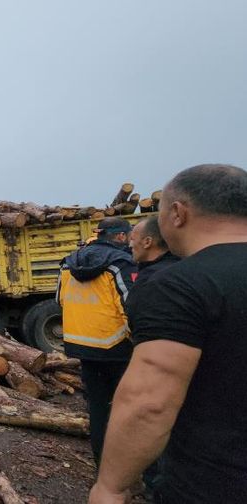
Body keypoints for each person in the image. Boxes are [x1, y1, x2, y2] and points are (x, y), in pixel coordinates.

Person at [90, 164, 247, 503]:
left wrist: (111, 488)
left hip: (214, 485)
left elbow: (149, 402)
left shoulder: (179, 286)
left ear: (177, 213)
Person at [56, 217, 137, 465]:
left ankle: (102, 462)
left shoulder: (68, 263)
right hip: (118, 346)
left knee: (98, 409)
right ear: (121, 237)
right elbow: (131, 305)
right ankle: (128, 464)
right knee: (128, 407)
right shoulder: (120, 263)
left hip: (83, 346)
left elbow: (60, 299)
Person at [125, 216, 180, 494]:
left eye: (133, 237)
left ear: (148, 241)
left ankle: (157, 482)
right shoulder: (174, 271)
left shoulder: (160, 281)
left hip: (159, 373)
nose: (129, 242)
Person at [127, 216, 180, 291]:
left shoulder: (149, 280)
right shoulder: (184, 267)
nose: (130, 245)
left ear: (147, 242)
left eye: (133, 239)